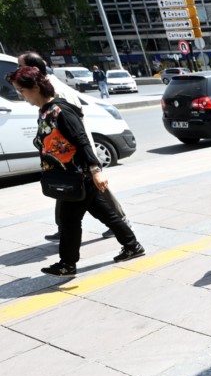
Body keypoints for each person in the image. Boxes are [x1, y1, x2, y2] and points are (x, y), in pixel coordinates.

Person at [8, 67, 143, 277]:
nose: (21, 96)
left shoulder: (59, 111)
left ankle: (67, 264)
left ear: (35, 87)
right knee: (106, 213)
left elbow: (81, 139)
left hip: (76, 175)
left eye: (21, 91)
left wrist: (96, 170)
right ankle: (132, 246)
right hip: (70, 175)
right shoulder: (45, 111)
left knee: (69, 221)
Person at [19, 52, 131, 242]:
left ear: (35, 70)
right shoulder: (43, 90)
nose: (18, 70)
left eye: (20, 66)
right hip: (64, 156)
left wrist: (91, 163)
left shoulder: (57, 92)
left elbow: (76, 130)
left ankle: (122, 225)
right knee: (66, 188)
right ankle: (66, 228)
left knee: (94, 188)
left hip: (76, 154)